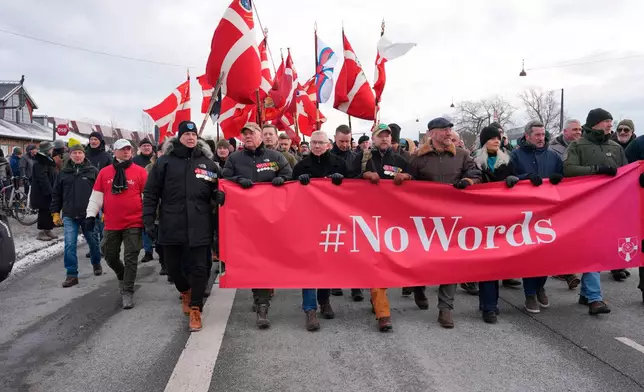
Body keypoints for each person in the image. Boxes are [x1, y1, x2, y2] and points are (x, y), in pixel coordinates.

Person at [144, 121, 224, 332]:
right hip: (172, 222)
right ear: (178, 137)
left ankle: (196, 308)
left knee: (200, 267)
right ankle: (185, 290)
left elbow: (219, 190)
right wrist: (148, 220)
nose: (190, 137)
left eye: (193, 134)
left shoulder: (208, 163)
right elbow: (151, 194)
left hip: (200, 223)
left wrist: (219, 195)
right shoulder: (164, 163)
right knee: (172, 267)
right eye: (186, 134)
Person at [408, 117, 482, 329]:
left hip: (453, 218)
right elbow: (406, 185)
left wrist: (469, 181)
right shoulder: (418, 158)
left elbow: (477, 174)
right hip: (425, 219)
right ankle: (418, 286)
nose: (448, 132)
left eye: (450, 129)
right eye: (443, 129)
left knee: (451, 262)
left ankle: (445, 308)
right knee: (422, 259)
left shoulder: (462, 155)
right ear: (431, 133)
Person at [222, 122, 292, 329]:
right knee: (255, 259)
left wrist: (281, 179)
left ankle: (264, 293)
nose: (248, 137)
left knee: (269, 257)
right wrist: (238, 179)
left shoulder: (275, 157)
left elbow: (289, 174)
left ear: (261, 136)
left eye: (252, 133)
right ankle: (262, 305)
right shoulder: (234, 159)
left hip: (272, 218)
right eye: (245, 134)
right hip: (245, 219)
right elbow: (224, 179)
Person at [350, 123, 413, 332]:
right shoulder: (362, 159)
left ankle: (380, 302)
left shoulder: (401, 161)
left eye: (388, 136)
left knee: (386, 261)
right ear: (373, 139)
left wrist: (408, 178)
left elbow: (419, 183)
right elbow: (347, 179)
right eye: (380, 136)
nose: (385, 139)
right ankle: (383, 313)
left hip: (394, 222)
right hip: (367, 219)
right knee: (376, 262)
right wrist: (363, 176)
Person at [564, 108, 627, 315]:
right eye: (606, 121)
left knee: (599, 249)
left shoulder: (616, 148)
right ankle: (595, 298)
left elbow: (626, 174)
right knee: (593, 249)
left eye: (611, 121)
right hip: (584, 208)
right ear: (595, 124)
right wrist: (596, 170)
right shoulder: (577, 145)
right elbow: (569, 170)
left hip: (608, 208)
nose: (610, 125)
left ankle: (586, 294)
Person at [291, 130, 347, 331]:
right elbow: (290, 193)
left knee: (327, 263)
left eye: (320, 142)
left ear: (328, 145)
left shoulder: (339, 164)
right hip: (307, 221)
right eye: (313, 142)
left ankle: (324, 301)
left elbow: (354, 189)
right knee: (309, 264)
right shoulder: (301, 166)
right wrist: (299, 181)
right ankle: (309, 309)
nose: (316, 145)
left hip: (332, 221)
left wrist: (343, 180)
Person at [509, 120, 566, 313]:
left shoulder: (553, 156)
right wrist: (525, 177)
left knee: (547, 253)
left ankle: (540, 285)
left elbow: (564, 180)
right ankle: (530, 294)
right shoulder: (515, 155)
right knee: (530, 254)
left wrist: (559, 179)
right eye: (537, 135)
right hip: (526, 212)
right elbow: (508, 179)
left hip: (549, 212)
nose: (541, 138)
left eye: (543, 134)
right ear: (527, 136)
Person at [86, 139, 147, 309]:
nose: (126, 152)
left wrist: (148, 219)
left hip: (134, 222)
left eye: (129, 149)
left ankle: (127, 291)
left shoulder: (140, 172)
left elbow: (147, 197)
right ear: (115, 152)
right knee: (109, 254)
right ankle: (122, 275)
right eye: (122, 149)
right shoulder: (105, 173)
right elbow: (96, 196)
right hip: (112, 222)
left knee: (131, 256)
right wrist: (91, 215)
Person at [472, 126, 516, 323]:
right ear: (484, 141)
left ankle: (489, 302)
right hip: (479, 216)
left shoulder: (507, 161)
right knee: (485, 260)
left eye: (498, 138)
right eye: (491, 138)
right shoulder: (475, 161)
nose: (496, 141)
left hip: (501, 216)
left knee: (496, 259)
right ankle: (489, 306)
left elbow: (519, 179)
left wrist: (517, 179)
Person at [51, 143, 102, 287]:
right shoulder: (63, 173)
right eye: (75, 153)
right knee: (69, 244)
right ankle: (72, 274)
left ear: (84, 155)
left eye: (80, 153)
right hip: (69, 214)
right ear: (70, 155)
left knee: (93, 242)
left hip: (89, 214)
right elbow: (56, 194)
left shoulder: (93, 171)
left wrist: (103, 211)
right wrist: (55, 212)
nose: (78, 155)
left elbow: (101, 193)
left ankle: (96, 261)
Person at [329, 124, 361, 300]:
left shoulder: (355, 157)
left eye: (347, 141)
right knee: (336, 244)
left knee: (355, 245)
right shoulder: (329, 157)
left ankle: (356, 285)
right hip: (332, 207)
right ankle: (335, 280)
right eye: (341, 141)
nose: (344, 144)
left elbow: (359, 177)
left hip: (353, 206)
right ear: (335, 138)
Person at [132, 138, 156, 264]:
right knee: (145, 224)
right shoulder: (135, 161)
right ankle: (148, 251)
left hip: (155, 195)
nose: (147, 148)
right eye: (144, 146)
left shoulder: (157, 160)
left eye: (148, 146)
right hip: (139, 195)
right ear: (140, 148)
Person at [31, 141, 58, 241]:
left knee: (49, 210)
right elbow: (42, 178)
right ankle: (41, 232)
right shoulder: (40, 162)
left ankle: (48, 229)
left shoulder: (47, 159)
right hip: (42, 192)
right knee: (43, 211)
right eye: (51, 149)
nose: (52, 150)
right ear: (47, 150)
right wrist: (50, 191)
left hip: (50, 189)